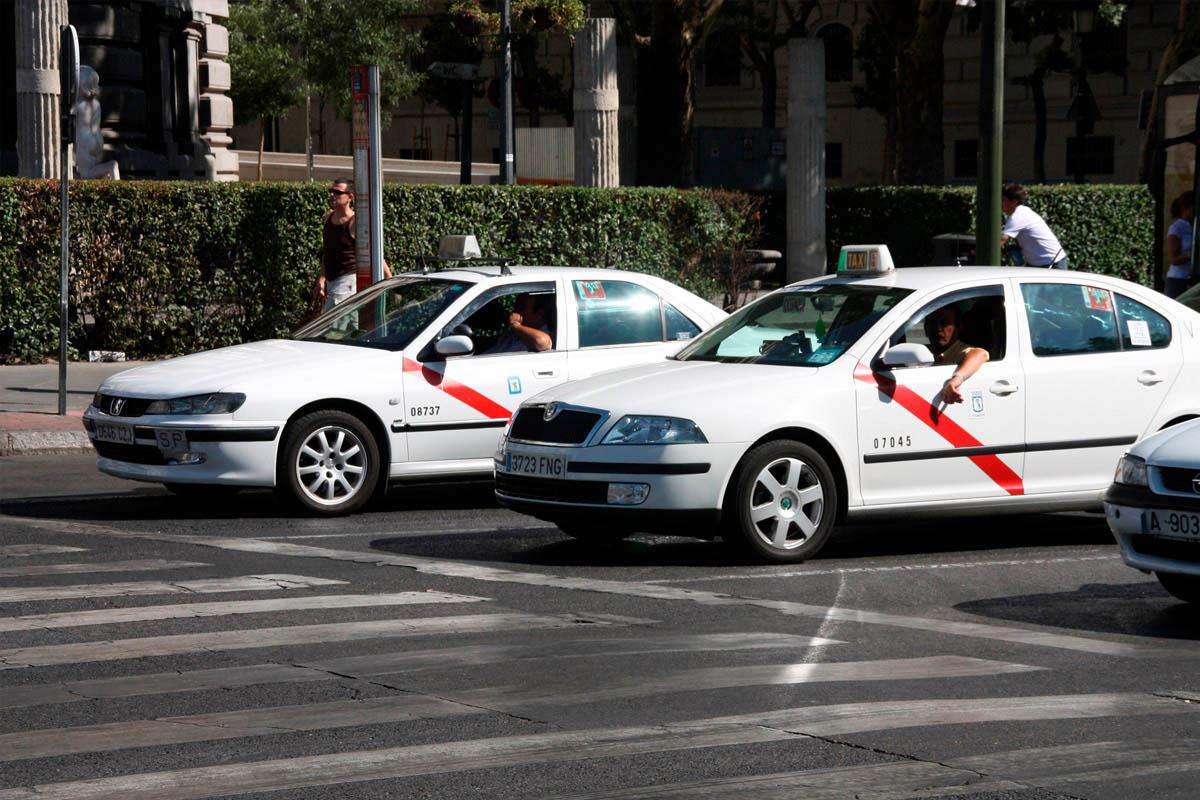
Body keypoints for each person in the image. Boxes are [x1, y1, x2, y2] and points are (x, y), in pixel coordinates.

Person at [313, 179, 391, 311]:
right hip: (332, 283)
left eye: (337, 192)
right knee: (345, 327)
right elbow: (328, 253)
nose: (332, 195)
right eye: (331, 191)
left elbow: (374, 250)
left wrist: (389, 278)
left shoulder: (356, 222)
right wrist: (321, 280)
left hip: (347, 282)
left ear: (350, 197)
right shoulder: (328, 218)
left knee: (332, 327)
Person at [926, 305, 989, 404]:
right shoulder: (924, 351)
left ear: (958, 328)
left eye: (945, 323)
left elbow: (980, 354)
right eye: (932, 323)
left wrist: (957, 379)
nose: (937, 328)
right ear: (925, 328)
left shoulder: (960, 350)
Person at [1000, 183, 1068, 270]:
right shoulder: (1022, 212)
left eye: (1003, 200)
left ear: (1014, 202)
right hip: (1042, 264)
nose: (1001, 203)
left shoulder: (1018, 216)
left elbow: (1001, 240)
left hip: (1052, 264)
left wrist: (979, 252)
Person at [484, 294, 553, 353]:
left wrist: (515, 325)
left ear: (539, 314)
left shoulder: (543, 335)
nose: (515, 313)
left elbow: (542, 342)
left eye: (521, 308)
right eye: (515, 308)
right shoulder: (513, 334)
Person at [1165, 191, 1195, 299]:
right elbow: (1174, 259)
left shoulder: (1195, 227)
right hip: (1178, 280)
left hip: (1192, 279)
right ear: (1185, 208)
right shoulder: (1176, 228)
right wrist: (1192, 256)